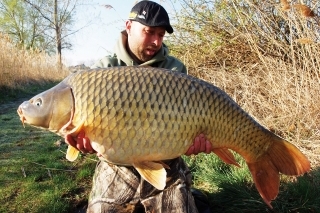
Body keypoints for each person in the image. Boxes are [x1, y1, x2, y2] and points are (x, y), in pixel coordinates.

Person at [65, 1, 212, 212]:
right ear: (128, 26)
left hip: (166, 161)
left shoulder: (174, 68)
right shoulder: (103, 70)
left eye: (160, 35)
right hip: (118, 164)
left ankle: (184, 191)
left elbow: (189, 123)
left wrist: (195, 141)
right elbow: (79, 126)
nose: (155, 41)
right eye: (149, 32)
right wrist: (81, 141)